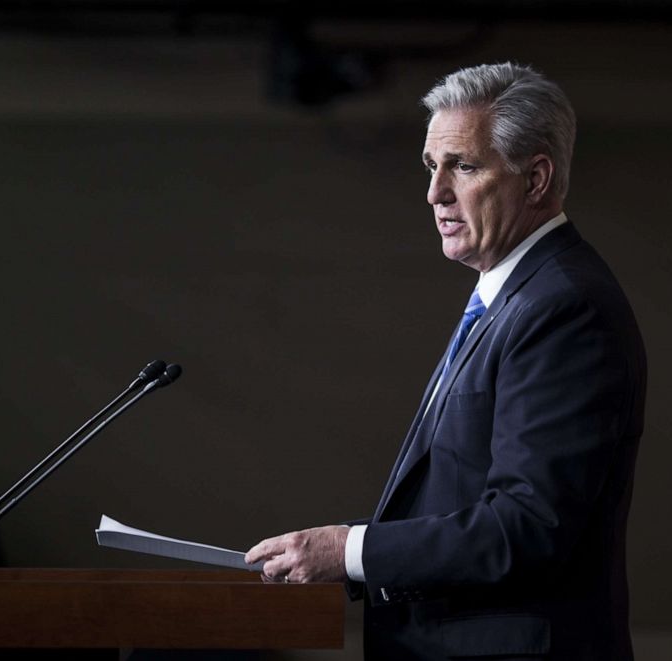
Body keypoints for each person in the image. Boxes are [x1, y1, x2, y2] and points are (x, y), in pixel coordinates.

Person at [246, 62, 647, 661]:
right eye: (432, 167)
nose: (435, 193)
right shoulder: (514, 295)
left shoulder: (564, 306)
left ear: (536, 179)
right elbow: (457, 497)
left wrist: (352, 551)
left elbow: (528, 524)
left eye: (463, 166)